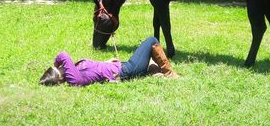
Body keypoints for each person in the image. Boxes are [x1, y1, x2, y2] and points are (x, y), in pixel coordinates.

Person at [39, 37, 179, 86]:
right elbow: (63, 55)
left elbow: (94, 70)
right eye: (61, 69)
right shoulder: (74, 79)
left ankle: (152, 71)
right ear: (61, 77)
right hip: (125, 71)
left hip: (121, 66)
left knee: (150, 63)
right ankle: (169, 74)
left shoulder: (75, 72)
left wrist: (107, 62)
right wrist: (55, 66)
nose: (64, 67)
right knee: (151, 41)